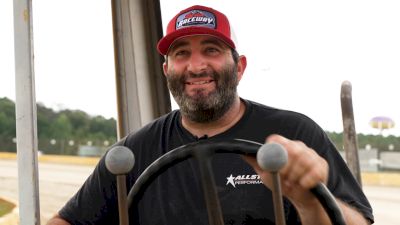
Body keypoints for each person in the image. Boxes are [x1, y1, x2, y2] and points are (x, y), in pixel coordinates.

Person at [47, 5, 374, 225]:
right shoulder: (134, 151)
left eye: (212, 50)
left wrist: (308, 199)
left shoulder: (293, 133)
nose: (196, 65)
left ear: (240, 66)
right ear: (166, 70)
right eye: (182, 54)